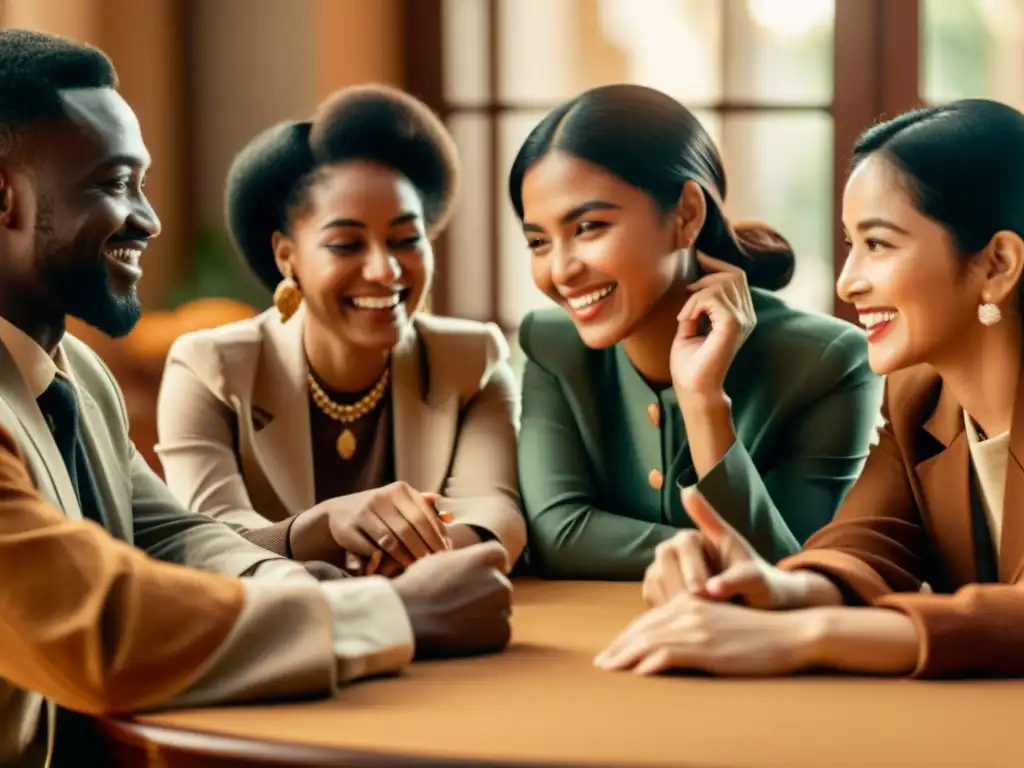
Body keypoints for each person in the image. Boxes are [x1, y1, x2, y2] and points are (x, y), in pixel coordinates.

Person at [0, 29, 511, 766]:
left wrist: (298, 583)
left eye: (141, 184)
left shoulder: (74, 368)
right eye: (113, 185)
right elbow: (98, 630)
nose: (150, 219)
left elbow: (170, 536)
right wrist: (392, 612)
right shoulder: (201, 364)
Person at [598, 98, 1024, 679]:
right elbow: (863, 546)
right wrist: (773, 589)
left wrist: (810, 633)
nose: (849, 283)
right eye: (851, 245)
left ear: (997, 264)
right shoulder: (918, 396)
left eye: (878, 244)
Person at [510, 84, 882, 578]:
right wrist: (715, 549)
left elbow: (790, 574)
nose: (560, 271)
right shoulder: (551, 345)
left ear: (685, 214)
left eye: (589, 227)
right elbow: (559, 534)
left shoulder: (828, 362)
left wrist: (704, 402)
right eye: (538, 241)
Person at [155, 84, 526, 576]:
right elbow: (206, 536)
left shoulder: (472, 360)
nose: (385, 270)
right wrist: (326, 525)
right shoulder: (210, 369)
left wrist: (395, 558)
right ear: (286, 255)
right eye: (347, 244)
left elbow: (493, 512)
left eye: (406, 239)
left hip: (442, 616)